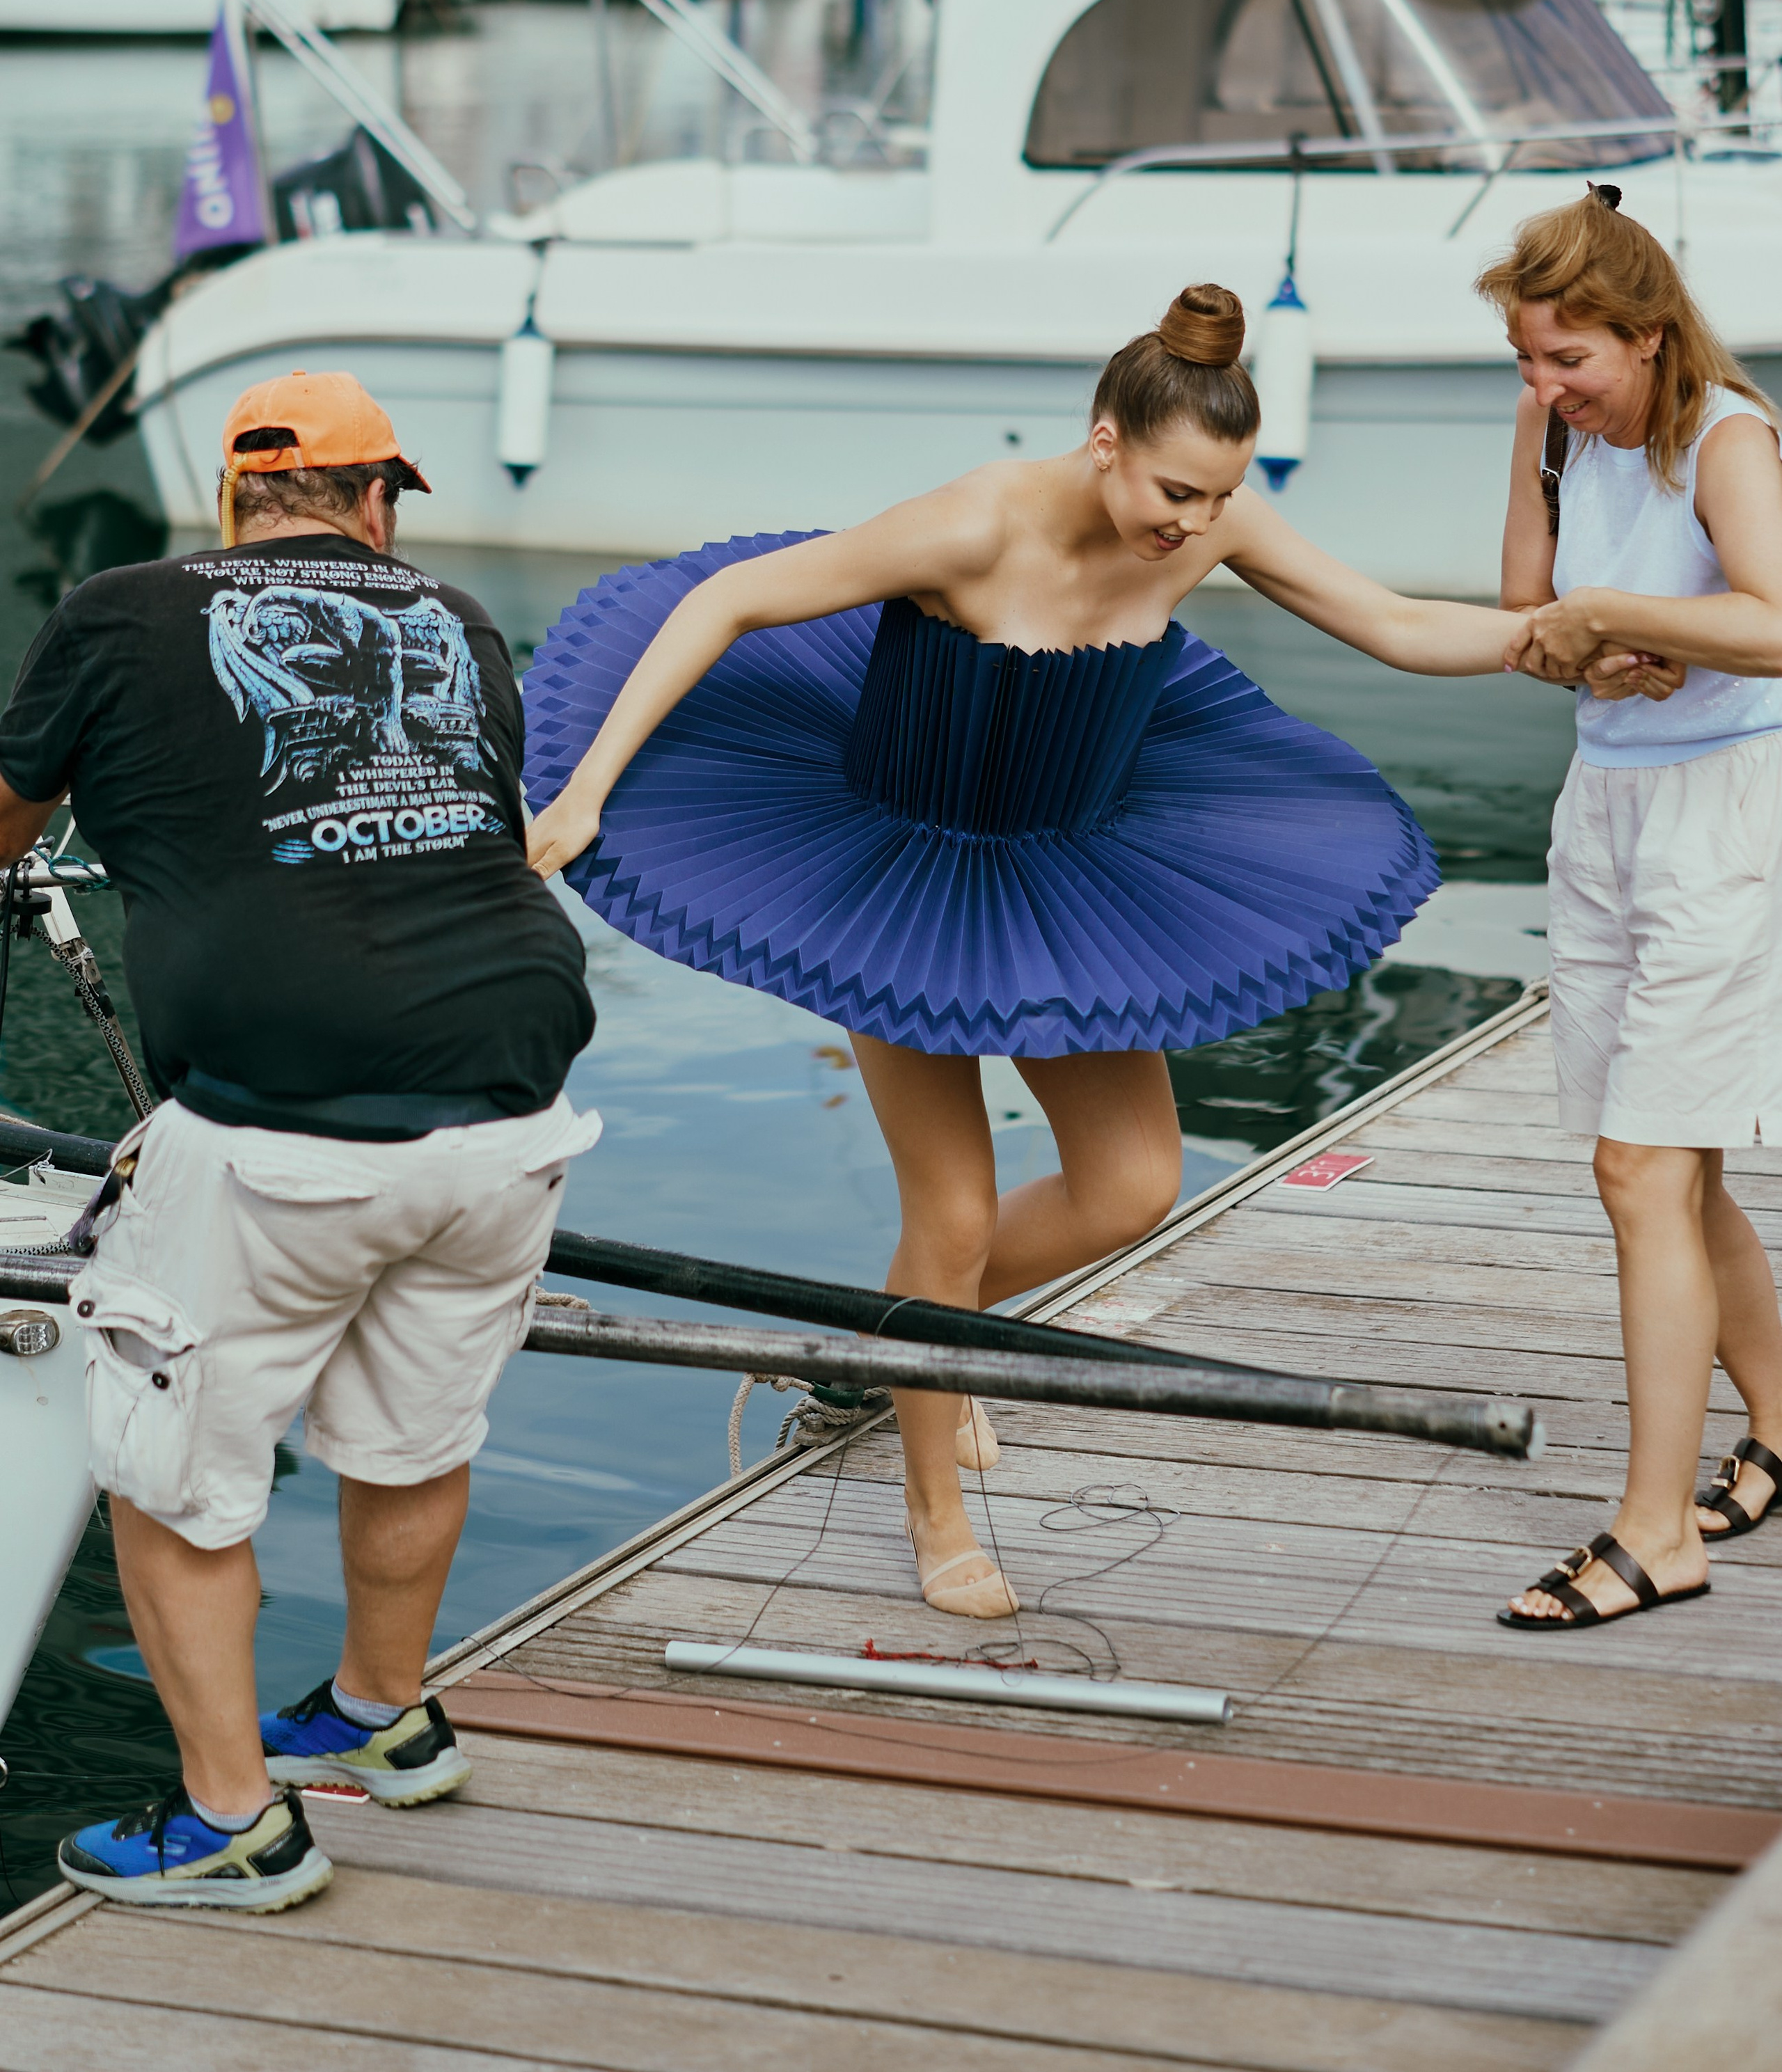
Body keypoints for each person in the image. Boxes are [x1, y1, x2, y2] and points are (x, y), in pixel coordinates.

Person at [523, 285, 1537, 1619]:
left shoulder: (1204, 523)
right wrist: (590, 788)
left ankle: (907, 1349)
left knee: (1132, 1185)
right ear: (1104, 437)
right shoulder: (974, 521)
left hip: (1070, 858)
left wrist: (1558, 643)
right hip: (902, 872)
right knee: (946, 1214)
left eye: (1219, 499)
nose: (1194, 523)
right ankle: (936, 1504)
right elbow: (728, 601)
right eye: (1175, 489)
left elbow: (1401, 626)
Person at [0, 370, 597, 1911]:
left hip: (283, 1127)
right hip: (514, 1098)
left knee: (167, 1474)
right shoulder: (457, 619)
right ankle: (381, 1714)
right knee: (416, 1434)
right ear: (376, 500)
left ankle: (233, 1821)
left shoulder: (120, 608)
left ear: (236, 495)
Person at [1485, 185, 1782, 1632]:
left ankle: (1654, 1530)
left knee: (1637, 1171)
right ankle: (1780, 1436)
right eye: (1528, 364)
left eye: (1570, 364)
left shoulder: (1725, 433)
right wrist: (1589, 656)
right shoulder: (1553, 434)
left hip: (1723, 818)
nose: (1544, 392)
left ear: (1648, 338)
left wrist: (1622, 624)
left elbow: (1776, 620)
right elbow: (1525, 608)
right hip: (1599, 813)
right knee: (1678, 1170)